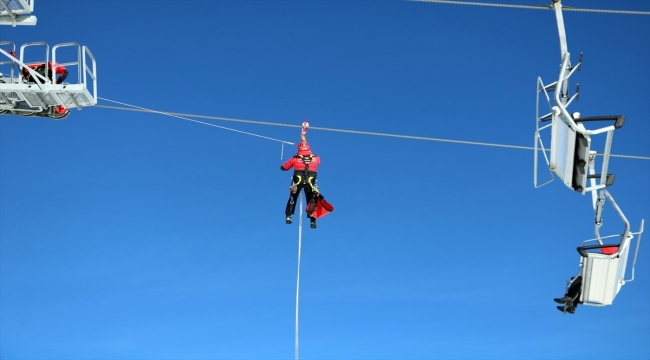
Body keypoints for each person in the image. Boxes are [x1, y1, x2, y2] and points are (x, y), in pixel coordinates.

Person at [281, 140, 321, 228]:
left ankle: (289, 215)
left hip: (297, 180)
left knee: (293, 197)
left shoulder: (295, 158)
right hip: (310, 181)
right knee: (311, 199)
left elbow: (284, 167)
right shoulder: (316, 158)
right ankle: (312, 220)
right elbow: (318, 162)